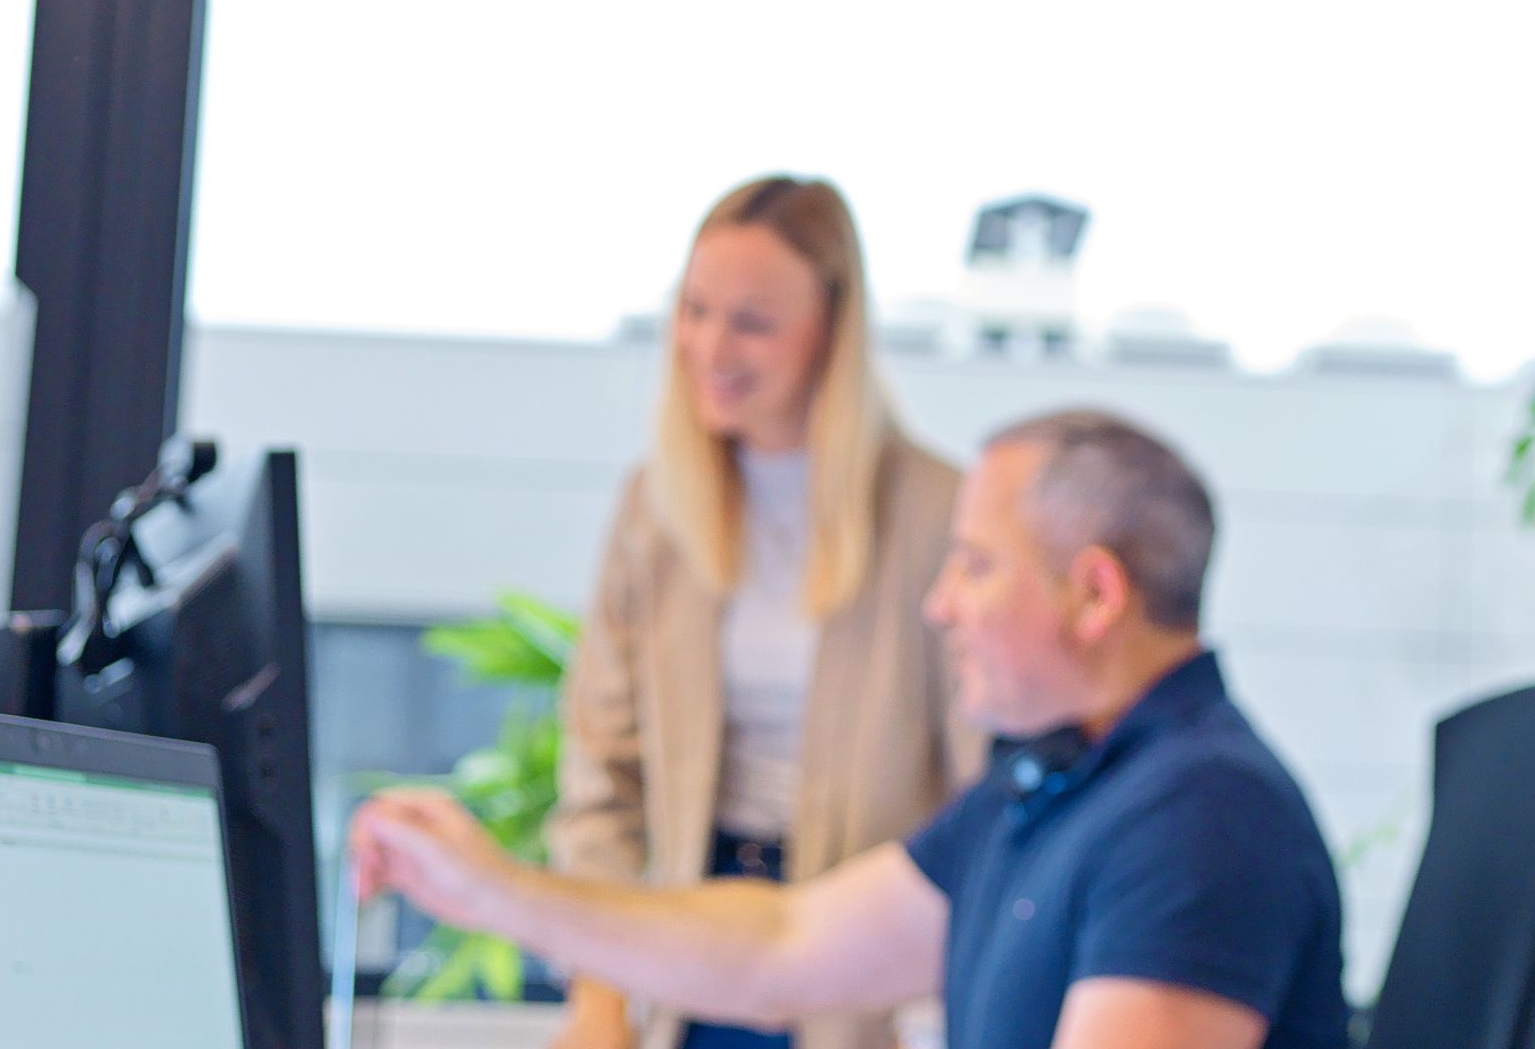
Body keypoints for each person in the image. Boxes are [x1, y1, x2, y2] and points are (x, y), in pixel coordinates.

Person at [358, 408, 1351, 1049]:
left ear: (1094, 595)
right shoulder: (1046, 790)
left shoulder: (1202, 819)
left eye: (974, 565)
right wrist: (496, 893)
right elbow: (780, 949)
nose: (938, 605)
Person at [516, 177, 976, 1049]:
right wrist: (602, 1001)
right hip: (694, 949)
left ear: (832, 334)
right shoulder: (655, 512)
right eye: (694, 311)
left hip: (860, 964)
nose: (711, 346)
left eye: (753, 322)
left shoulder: (937, 514)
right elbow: (602, 782)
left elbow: (981, 790)